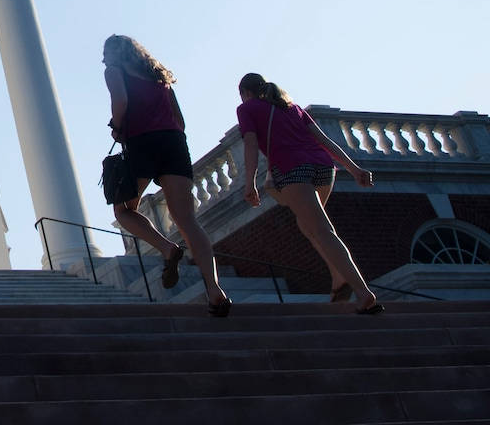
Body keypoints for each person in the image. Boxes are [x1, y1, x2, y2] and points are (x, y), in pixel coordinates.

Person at [103, 35, 232, 316]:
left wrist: (116, 126)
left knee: (124, 210)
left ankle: (167, 248)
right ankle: (215, 289)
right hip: (174, 142)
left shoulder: (114, 70)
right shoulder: (158, 72)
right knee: (187, 219)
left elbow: (120, 101)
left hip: (142, 142)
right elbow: (180, 119)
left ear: (112, 53)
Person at [237, 72, 383, 314]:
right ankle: (339, 279)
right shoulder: (291, 107)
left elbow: (251, 145)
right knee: (308, 225)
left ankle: (363, 292)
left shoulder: (247, 109)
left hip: (293, 170)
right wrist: (354, 169)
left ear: (246, 93)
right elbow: (324, 140)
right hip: (324, 169)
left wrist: (249, 181)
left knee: (322, 229)